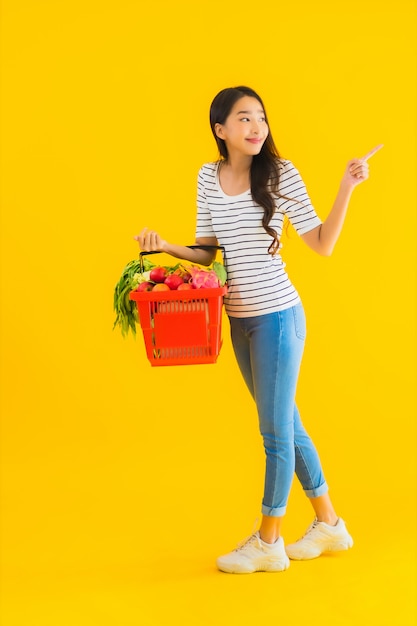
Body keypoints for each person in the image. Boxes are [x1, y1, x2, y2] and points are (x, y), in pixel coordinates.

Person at [135, 86, 382, 574]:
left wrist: (346, 187)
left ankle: (268, 541)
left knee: (273, 431)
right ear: (220, 129)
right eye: (244, 118)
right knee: (286, 423)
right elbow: (207, 251)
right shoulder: (209, 176)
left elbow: (321, 244)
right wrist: (165, 245)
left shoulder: (281, 174)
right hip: (239, 321)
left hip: (278, 317)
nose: (256, 127)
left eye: (261, 118)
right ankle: (330, 525)